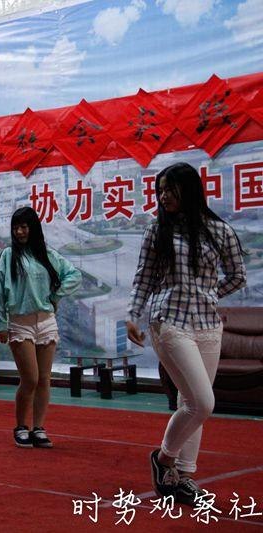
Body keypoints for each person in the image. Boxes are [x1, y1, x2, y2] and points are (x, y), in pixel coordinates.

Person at [126, 162, 246, 506]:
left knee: (190, 403)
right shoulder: (156, 231)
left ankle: (182, 477)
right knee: (202, 402)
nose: (163, 196)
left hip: (207, 324)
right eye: (160, 190)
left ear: (189, 190)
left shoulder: (219, 230)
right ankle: (163, 459)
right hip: (169, 320)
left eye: (170, 189)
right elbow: (144, 277)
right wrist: (133, 315)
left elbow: (237, 275)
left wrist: (210, 294)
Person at [0, 207, 81, 448]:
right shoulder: (8, 256)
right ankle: (21, 426)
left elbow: (74, 275)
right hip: (19, 322)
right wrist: (0, 324)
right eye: (16, 227)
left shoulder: (47, 254)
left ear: (33, 228)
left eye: (24, 227)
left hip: (46, 321)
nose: (19, 232)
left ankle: (39, 428)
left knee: (44, 379)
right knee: (30, 378)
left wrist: (55, 295)